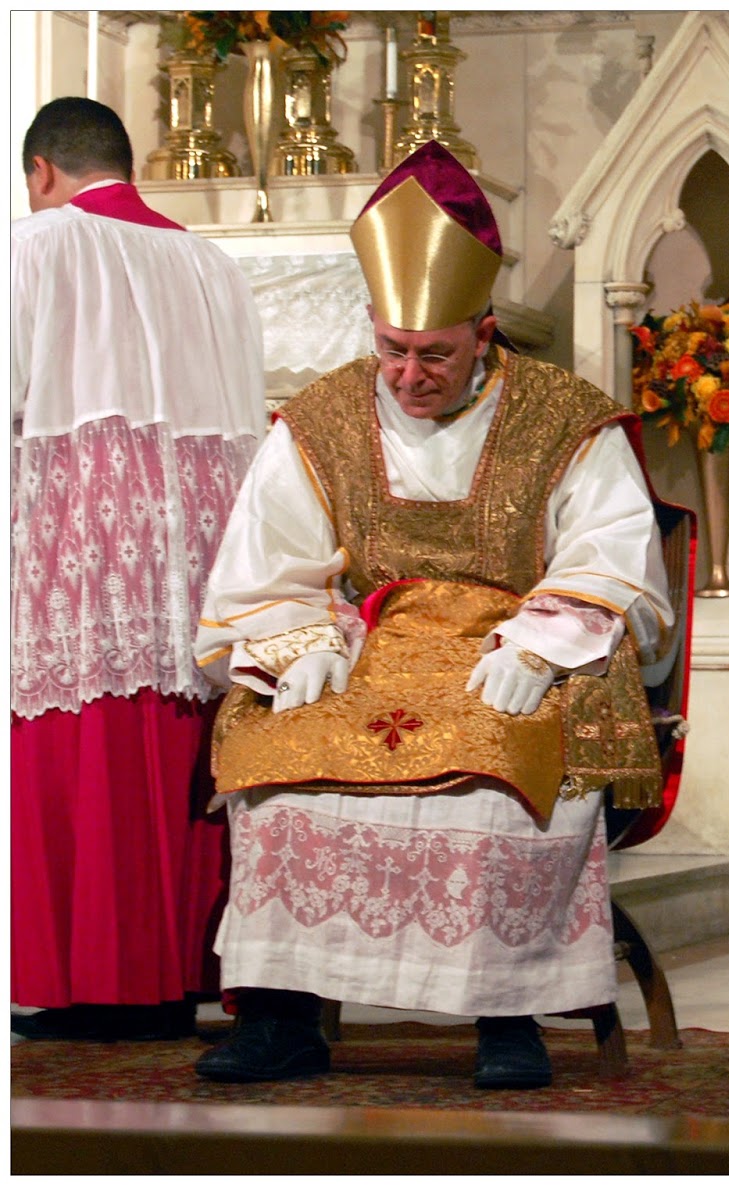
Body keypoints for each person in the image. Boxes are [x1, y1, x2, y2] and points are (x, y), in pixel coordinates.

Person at [192, 142, 674, 1089]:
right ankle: (283, 1018)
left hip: (512, 647)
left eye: (435, 355)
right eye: (393, 351)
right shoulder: (322, 420)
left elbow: (613, 554)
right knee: (280, 770)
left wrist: (545, 642)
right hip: (365, 649)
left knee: (501, 772)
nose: (409, 376)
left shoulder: (563, 417)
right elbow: (264, 562)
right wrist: (295, 642)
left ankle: (508, 1017)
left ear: (484, 331)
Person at [11, 98, 265, 1041]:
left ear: (42, 171)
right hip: (202, 552)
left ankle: (82, 987)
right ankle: (175, 976)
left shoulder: (34, 247)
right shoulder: (214, 264)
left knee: (83, 752)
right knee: (176, 754)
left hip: (76, 550)